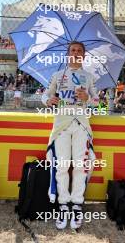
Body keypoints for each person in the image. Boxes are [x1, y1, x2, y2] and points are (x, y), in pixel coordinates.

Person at [41, 41, 98, 230]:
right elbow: (44, 95)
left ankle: (77, 204)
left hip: (81, 125)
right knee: (62, 166)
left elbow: (98, 103)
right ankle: (63, 204)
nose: (76, 53)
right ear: (68, 54)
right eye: (73, 50)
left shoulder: (89, 77)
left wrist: (88, 99)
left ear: (84, 55)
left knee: (80, 166)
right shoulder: (58, 75)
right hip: (62, 126)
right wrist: (49, 99)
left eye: (79, 50)